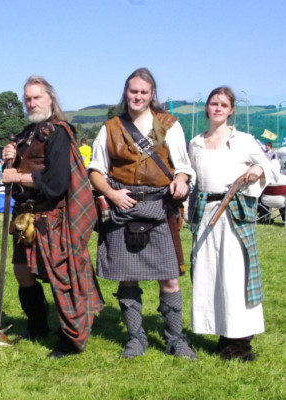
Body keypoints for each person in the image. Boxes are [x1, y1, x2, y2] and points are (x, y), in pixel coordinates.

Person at [88, 68, 197, 359]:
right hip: (123, 208)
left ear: (152, 95)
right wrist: (111, 194)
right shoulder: (110, 127)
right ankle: (136, 339)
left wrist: (181, 181)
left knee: (170, 279)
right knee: (127, 278)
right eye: (133, 91)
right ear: (126, 92)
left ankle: (176, 339)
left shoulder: (169, 125)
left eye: (143, 92)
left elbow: (183, 166)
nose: (137, 96)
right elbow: (96, 170)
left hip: (159, 209)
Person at [2, 75, 102, 358]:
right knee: (23, 274)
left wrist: (17, 175)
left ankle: (70, 339)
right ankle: (36, 327)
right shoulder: (26, 133)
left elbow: (57, 181)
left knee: (63, 279)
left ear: (50, 99)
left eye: (37, 98)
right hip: (25, 218)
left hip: (52, 218)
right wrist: (10, 156)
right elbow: (18, 171)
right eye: (28, 99)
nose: (32, 103)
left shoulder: (59, 133)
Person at [188, 86, 278, 361]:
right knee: (210, 275)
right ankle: (222, 334)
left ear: (231, 110)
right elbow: (191, 180)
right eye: (213, 103)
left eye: (223, 105)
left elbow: (272, 167)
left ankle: (240, 343)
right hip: (206, 216)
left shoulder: (244, 140)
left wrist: (258, 169)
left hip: (235, 215)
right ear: (207, 108)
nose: (217, 108)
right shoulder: (196, 143)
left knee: (235, 275)